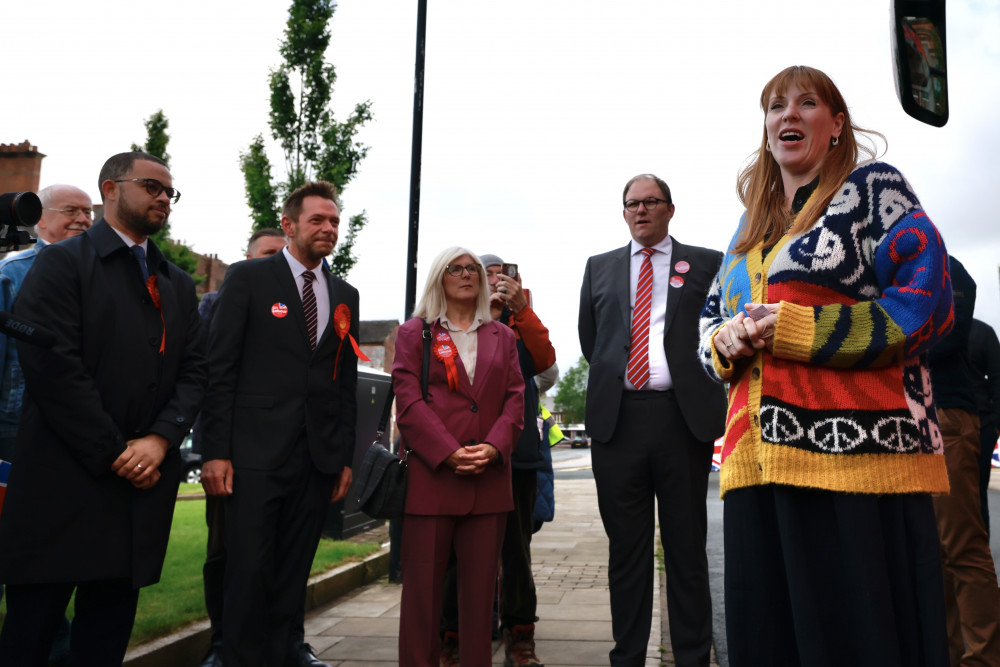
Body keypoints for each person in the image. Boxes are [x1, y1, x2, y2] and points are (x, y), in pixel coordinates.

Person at [698, 65, 954, 666]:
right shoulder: (747, 228)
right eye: (775, 106)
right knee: (769, 642)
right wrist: (724, 342)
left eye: (806, 103)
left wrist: (796, 329)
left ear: (836, 124)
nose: (788, 115)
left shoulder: (873, 190)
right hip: (756, 470)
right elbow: (708, 321)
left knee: (852, 642)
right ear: (765, 130)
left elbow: (928, 305)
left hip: (856, 473)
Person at [0, 152, 206, 665]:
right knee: (31, 636)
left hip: (137, 494)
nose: (162, 198)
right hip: (61, 482)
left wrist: (159, 439)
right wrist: (116, 452)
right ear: (110, 189)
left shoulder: (177, 283)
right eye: (151, 186)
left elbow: (195, 371)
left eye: (169, 191)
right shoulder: (62, 263)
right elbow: (53, 367)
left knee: (104, 640)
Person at [200, 181, 358, 667]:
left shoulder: (344, 292)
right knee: (248, 569)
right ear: (289, 225)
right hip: (252, 456)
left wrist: (345, 458)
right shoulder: (249, 278)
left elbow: (343, 384)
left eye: (334, 221)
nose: (328, 228)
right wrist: (215, 451)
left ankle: (289, 651)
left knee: (294, 568)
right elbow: (219, 369)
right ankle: (239, 657)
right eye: (317, 220)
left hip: (316, 458)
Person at [579, 174, 726, 666]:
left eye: (651, 202)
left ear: (670, 208)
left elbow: (717, 326)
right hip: (617, 424)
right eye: (632, 204)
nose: (641, 210)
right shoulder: (599, 267)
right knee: (627, 553)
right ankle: (628, 657)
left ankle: (690, 656)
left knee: (686, 549)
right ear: (623, 212)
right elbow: (592, 339)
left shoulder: (705, 263)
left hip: (681, 422)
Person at [393, 247, 524, 667]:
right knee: (422, 599)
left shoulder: (502, 335)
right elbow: (408, 401)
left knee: (481, 597)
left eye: (472, 269)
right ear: (439, 276)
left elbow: (515, 400)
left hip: (487, 483)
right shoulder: (417, 333)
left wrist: (493, 446)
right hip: (432, 481)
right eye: (456, 268)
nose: (466, 274)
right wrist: (447, 452)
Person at [439, 254, 556, 667]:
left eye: (501, 275)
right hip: (458, 453)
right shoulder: (449, 321)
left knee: (515, 553)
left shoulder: (516, 324)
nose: (493, 281)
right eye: (483, 274)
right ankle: (451, 641)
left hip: (513, 455)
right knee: (454, 554)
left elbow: (543, 363)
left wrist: (522, 309)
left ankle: (520, 641)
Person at [0, 183, 93, 663]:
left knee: (58, 556)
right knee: (23, 555)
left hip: (81, 435)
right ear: (39, 217)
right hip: (18, 433)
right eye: (71, 211)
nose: (82, 218)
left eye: (88, 211)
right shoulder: (13, 274)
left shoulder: (100, 274)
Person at [928, 256, 1000, 666]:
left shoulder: (944, 266)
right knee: (935, 551)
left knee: (962, 547)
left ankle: (985, 658)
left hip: (948, 417)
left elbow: (947, 335)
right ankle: (951, 654)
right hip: (913, 419)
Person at [969, 318, 1000, 535]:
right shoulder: (982, 331)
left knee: (976, 492)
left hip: (981, 422)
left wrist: (994, 424)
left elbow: (998, 379)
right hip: (982, 422)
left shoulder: (981, 332)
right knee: (977, 492)